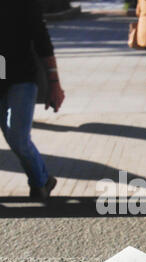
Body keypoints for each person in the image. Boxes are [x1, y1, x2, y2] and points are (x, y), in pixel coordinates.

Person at [0, 0, 65, 201]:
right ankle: (42, 181)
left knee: (17, 136)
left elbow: (41, 39)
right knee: (12, 134)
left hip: (22, 76)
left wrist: (54, 83)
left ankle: (40, 181)